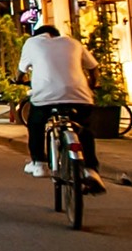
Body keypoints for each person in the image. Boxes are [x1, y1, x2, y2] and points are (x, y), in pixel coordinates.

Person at [15, 23, 105, 193]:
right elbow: (93, 68)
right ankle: (91, 169)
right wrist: (93, 84)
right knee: (84, 129)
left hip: (45, 97)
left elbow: (20, 72)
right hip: (79, 96)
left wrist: (18, 80)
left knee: (35, 123)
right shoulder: (73, 42)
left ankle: (39, 163)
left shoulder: (32, 43)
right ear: (56, 35)